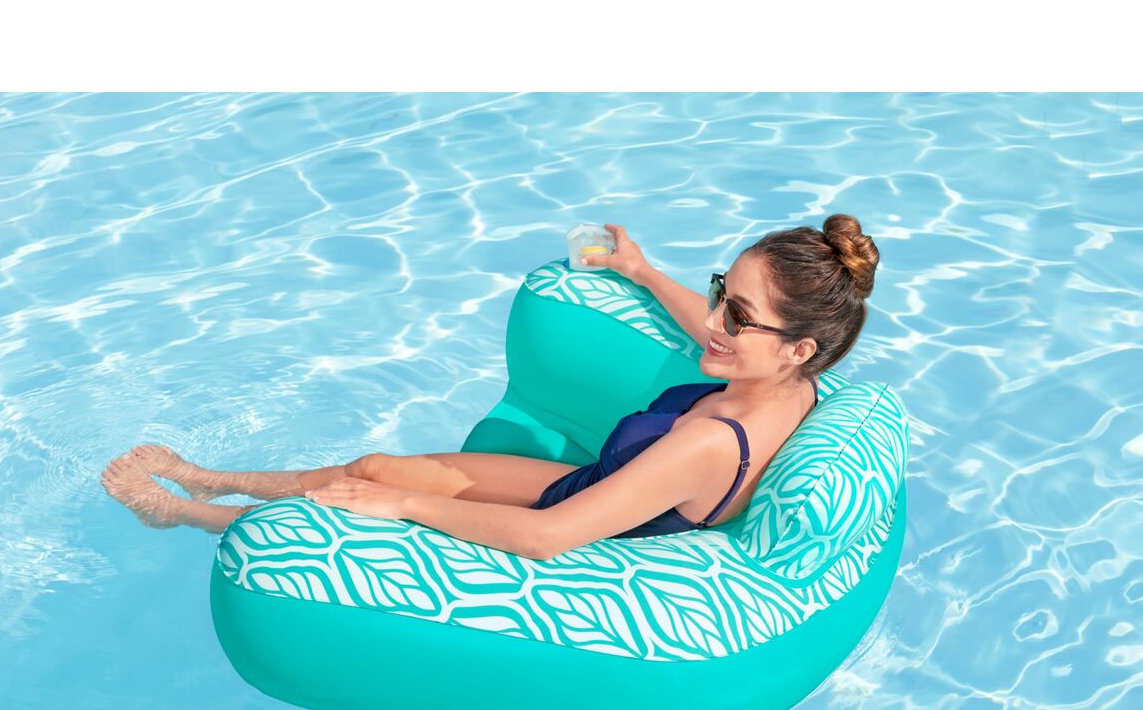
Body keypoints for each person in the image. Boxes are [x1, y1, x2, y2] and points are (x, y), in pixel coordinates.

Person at [101, 215, 879, 558]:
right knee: (371, 465)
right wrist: (642, 272)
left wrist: (405, 506)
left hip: (596, 523)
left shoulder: (709, 442)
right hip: (608, 482)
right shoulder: (790, 384)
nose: (712, 320)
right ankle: (211, 478)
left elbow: (547, 538)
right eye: (719, 292)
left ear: (797, 347)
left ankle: (190, 512)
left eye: (736, 314)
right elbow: (706, 329)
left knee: (368, 492)